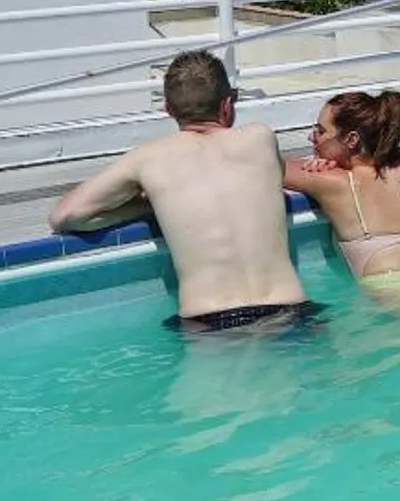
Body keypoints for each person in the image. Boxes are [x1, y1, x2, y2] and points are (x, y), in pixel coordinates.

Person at [47, 50, 314, 332]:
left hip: (210, 325)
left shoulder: (148, 159)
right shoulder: (261, 137)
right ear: (227, 106)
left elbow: (65, 216)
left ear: (168, 110)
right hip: (290, 313)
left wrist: (151, 205)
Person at [284, 89, 400, 295]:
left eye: (320, 131)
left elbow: (266, 164)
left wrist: (320, 164)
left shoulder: (337, 182)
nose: (312, 137)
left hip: (397, 297)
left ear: (351, 140)